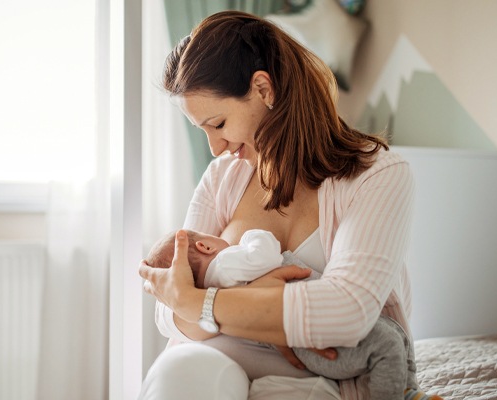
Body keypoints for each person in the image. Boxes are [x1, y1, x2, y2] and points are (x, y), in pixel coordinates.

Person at [138, 9, 430, 400]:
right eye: (202, 130)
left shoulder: (378, 175)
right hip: (219, 365)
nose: (215, 148)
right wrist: (258, 299)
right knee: (178, 375)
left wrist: (199, 301)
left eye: (219, 124)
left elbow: (347, 312)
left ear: (263, 89)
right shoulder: (222, 178)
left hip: (325, 380)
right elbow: (168, 314)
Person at [145, 229, 440, 400]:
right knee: (388, 344)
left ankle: (407, 391)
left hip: (311, 329)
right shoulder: (227, 263)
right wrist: (253, 236)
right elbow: (267, 252)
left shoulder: (214, 279)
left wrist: (197, 301)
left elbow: (177, 300)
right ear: (205, 246)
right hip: (306, 337)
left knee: (391, 338)